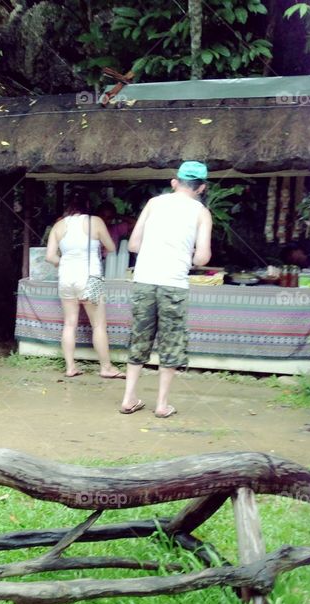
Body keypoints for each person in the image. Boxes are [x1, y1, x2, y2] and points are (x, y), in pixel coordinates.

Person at [119, 161, 212, 418]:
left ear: (174, 182)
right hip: (174, 284)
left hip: (145, 280)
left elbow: (134, 245)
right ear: (201, 187)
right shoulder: (201, 212)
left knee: (140, 337)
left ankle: (129, 398)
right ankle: (161, 405)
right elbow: (202, 258)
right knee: (171, 342)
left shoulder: (153, 203)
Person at [45, 190, 123, 378]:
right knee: (98, 325)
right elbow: (112, 247)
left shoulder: (59, 226)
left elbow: (50, 257)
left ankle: (70, 367)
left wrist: (60, 261)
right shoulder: (95, 222)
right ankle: (106, 367)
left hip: (66, 278)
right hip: (90, 278)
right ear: (89, 206)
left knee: (69, 324)